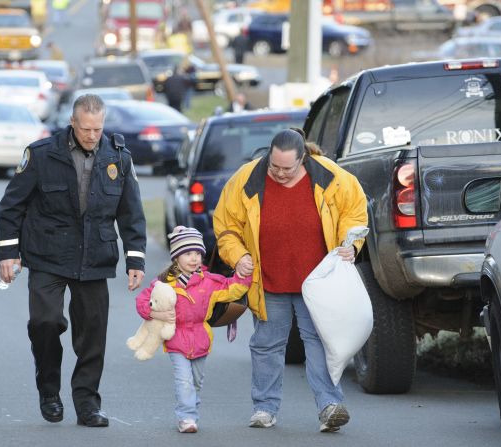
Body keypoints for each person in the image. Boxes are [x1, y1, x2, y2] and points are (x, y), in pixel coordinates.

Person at [0, 94, 146, 428]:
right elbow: (11, 206)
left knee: (93, 335)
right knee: (45, 323)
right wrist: (8, 253)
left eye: (98, 128)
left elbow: (131, 212)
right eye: (86, 128)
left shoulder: (118, 158)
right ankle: (49, 391)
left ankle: (87, 404)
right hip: (48, 254)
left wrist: (135, 259)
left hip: (95, 257)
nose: (92, 135)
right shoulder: (41, 154)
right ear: (73, 123)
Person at [213, 128, 368, 433]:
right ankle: (264, 408)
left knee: (320, 342)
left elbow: (355, 214)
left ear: (304, 159)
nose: (280, 174)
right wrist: (238, 255)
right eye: (274, 167)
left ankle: (329, 406)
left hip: (318, 283)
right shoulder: (245, 178)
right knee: (267, 344)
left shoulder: (333, 177)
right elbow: (227, 226)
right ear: (268, 155)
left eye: (288, 168)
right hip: (268, 279)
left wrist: (350, 244)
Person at [133, 226, 252, 433]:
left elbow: (233, 288)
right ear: (176, 257)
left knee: (196, 381)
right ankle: (186, 417)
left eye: (198, 253)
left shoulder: (209, 282)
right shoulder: (163, 283)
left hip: (201, 339)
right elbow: (142, 302)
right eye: (188, 253)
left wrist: (244, 274)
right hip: (175, 339)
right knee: (184, 380)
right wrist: (157, 314)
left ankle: (191, 411)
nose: (194, 258)